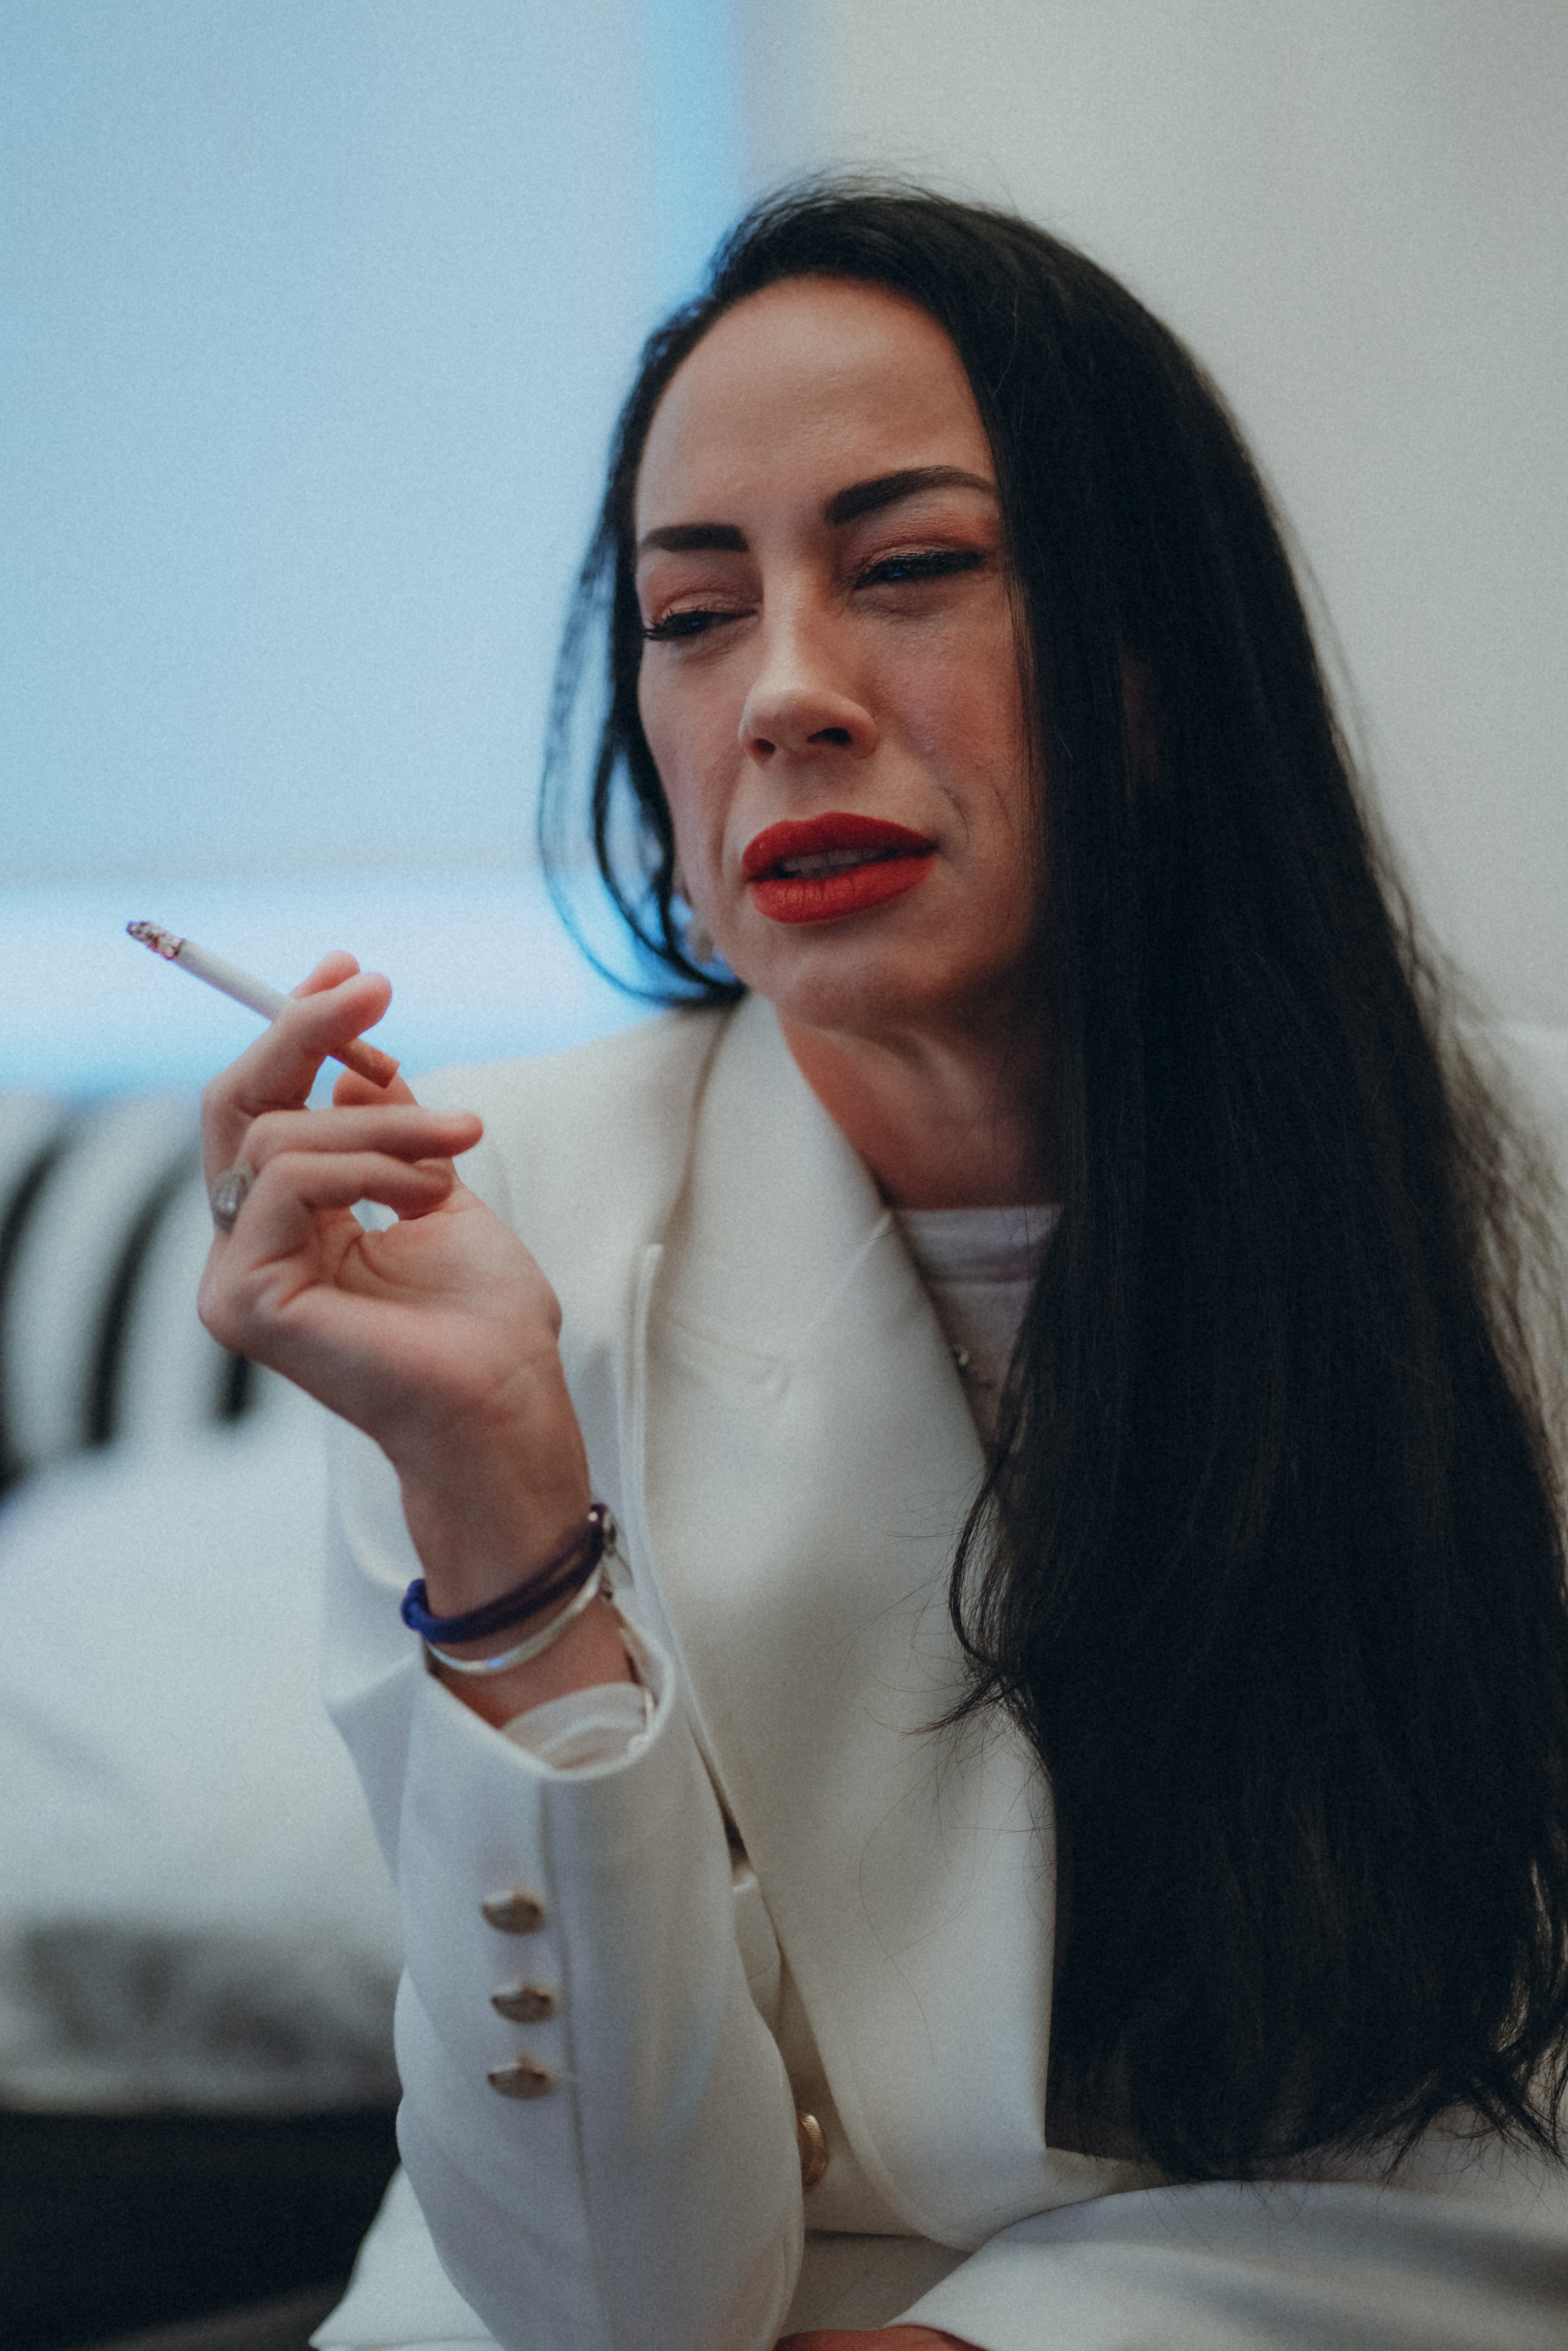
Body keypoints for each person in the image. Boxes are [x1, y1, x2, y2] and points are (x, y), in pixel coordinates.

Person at [197, 185, 1568, 2349]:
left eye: (912, 568)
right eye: (692, 613)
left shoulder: (1523, 1195)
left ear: (1157, 659)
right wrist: (500, 1519)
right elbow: (603, 2298)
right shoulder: (482, 1231)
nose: (786, 697)